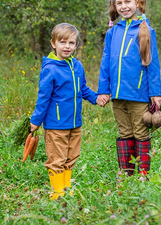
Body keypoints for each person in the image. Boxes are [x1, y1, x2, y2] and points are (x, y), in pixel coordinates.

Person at [30, 23, 106, 200]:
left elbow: (83, 89)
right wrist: (35, 120)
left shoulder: (77, 66)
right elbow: (43, 98)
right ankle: (56, 193)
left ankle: (66, 187)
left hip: (74, 123)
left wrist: (95, 98)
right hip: (56, 124)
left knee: (71, 157)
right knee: (57, 158)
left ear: (76, 45)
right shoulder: (50, 69)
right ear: (53, 43)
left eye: (71, 43)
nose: (67, 46)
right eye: (62, 42)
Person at [98, 0, 161, 179]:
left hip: (138, 94)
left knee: (140, 132)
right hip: (117, 95)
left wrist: (155, 93)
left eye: (127, 1)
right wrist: (104, 90)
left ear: (137, 2)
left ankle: (143, 173)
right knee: (124, 132)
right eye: (119, 3)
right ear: (114, 6)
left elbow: (153, 65)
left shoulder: (146, 30)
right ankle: (126, 173)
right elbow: (105, 62)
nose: (123, 6)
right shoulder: (112, 33)